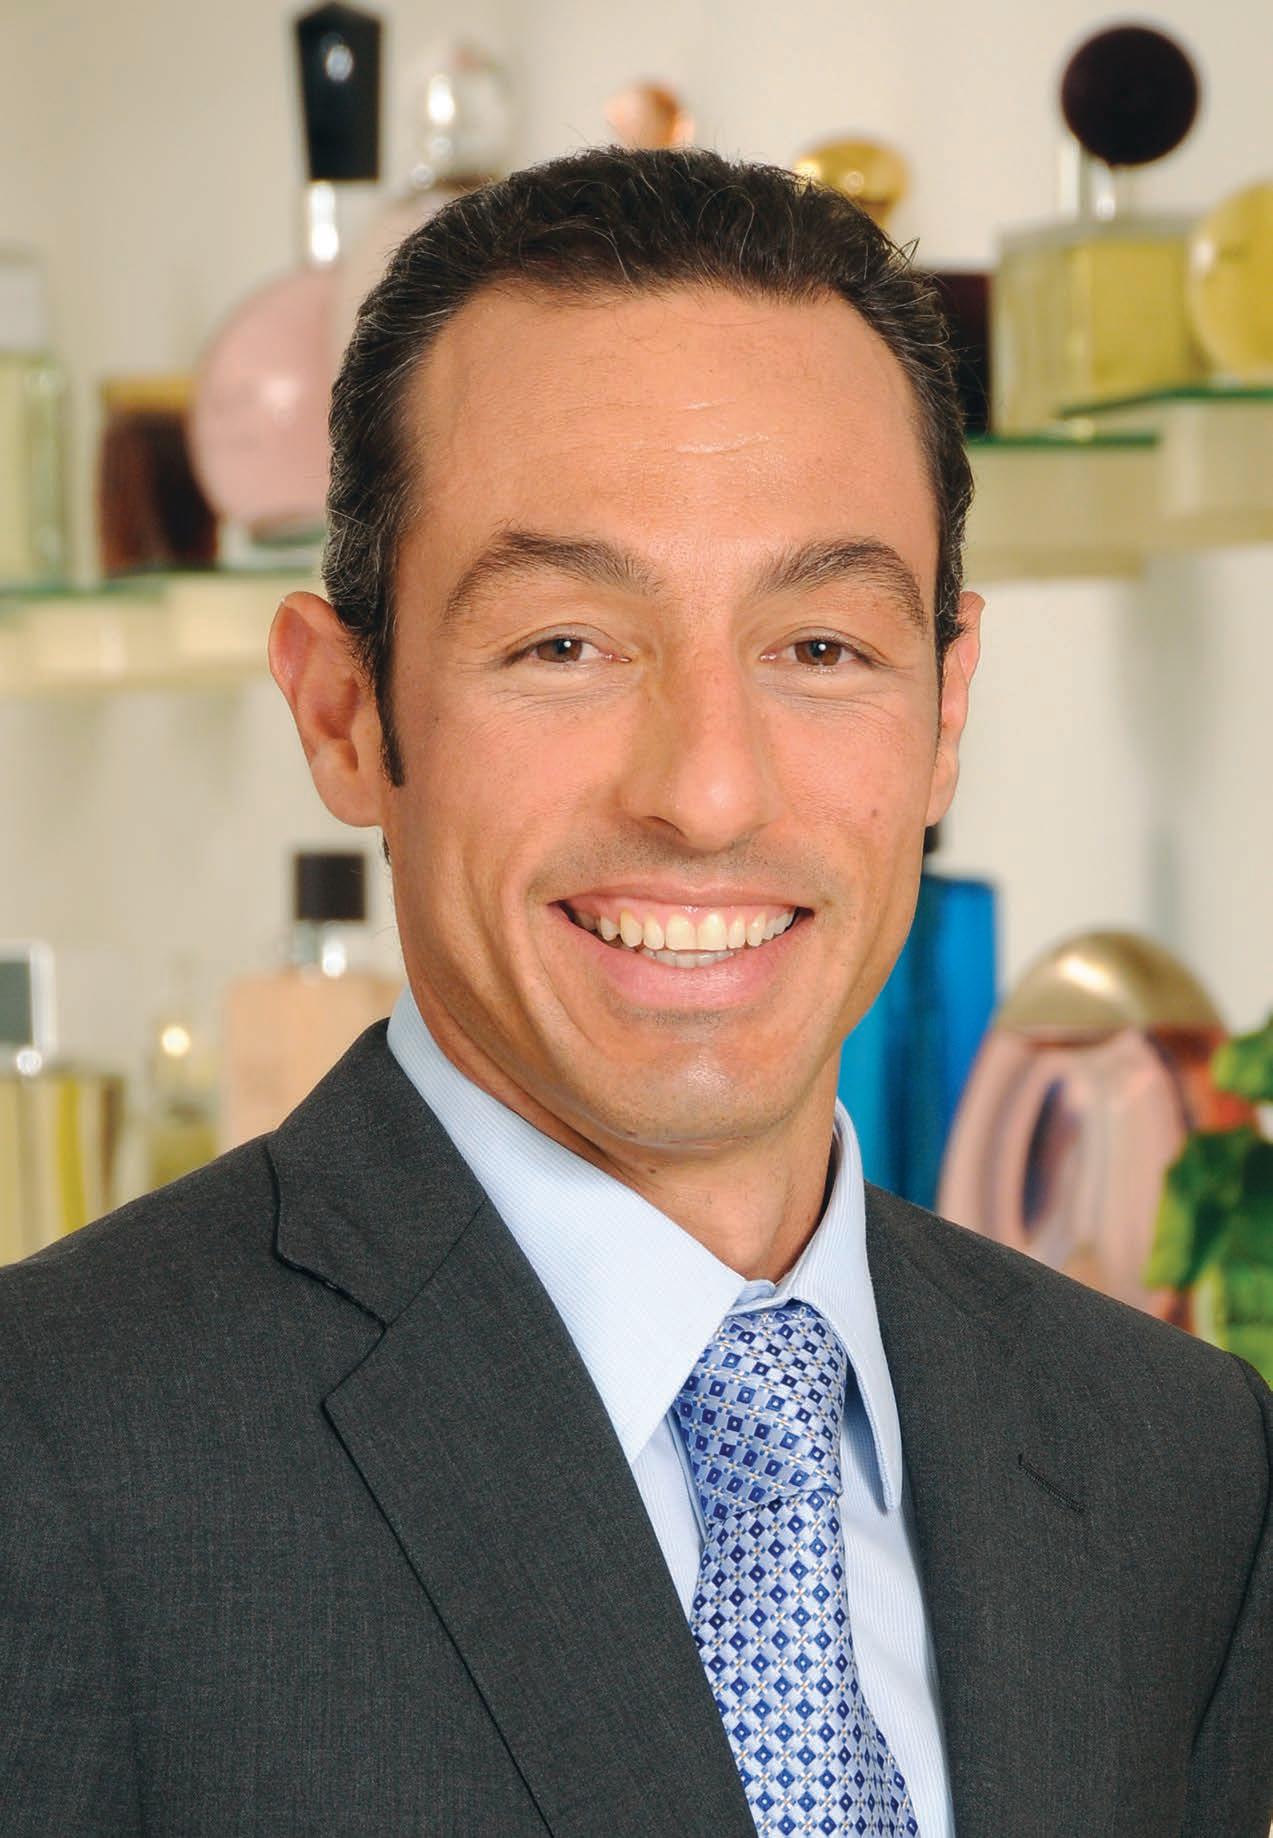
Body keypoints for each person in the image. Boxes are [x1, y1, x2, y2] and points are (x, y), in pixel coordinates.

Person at [1, 147, 1269, 1838]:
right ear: (346, 714)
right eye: (564, 645)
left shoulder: (1176, 1460)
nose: (710, 792)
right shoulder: (53, 1456)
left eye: (820, 647)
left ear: (943, 709)